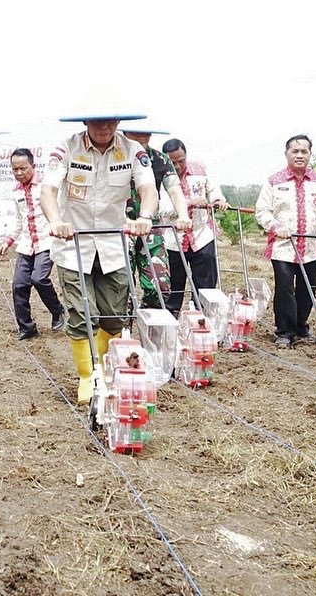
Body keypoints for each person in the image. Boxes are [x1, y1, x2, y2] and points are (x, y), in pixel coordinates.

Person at [39, 86, 157, 404]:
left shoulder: (133, 151)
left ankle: (102, 362)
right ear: (86, 122)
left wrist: (144, 216)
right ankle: (88, 375)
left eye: (111, 121)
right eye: (97, 121)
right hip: (72, 243)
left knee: (115, 315)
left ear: (118, 122)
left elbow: (148, 188)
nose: (105, 126)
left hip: (112, 245)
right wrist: (54, 222)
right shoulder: (65, 149)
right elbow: (48, 191)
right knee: (82, 313)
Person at [255, 134, 316, 348]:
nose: (300, 155)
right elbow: (262, 210)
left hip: (311, 246)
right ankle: (284, 332)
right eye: (295, 151)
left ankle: (301, 327)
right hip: (283, 246)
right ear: (287, 154)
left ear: (310, 154)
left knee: (307, 289)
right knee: (285, 289)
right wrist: (275, 227)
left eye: (304, 151)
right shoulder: (274, 181)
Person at [117, 122, 190, 309]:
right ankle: (123, 331)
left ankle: (149, 319)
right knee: (121, 289)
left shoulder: (160, 159)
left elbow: (174, 189)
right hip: (121, 227)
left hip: (150, 226)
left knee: (160, 286)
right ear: (125, 133)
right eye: (136, 133)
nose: (142, 137)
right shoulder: (115, 157)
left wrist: (183, 214)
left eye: (146, 133)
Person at [0, 148, 66, 340]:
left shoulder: (47, 187)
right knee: (19, 285)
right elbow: (19, 221)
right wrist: (8, 240)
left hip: (47, 240)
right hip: (27, 243)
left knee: (39, 278)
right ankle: (27, 328)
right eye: (15, 169)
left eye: (23, 168)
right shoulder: (15, 193)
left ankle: (58, 310)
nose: (19, 173)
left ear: (33, 166)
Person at [158, 138, 229, 317]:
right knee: (173, 286)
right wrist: (189, 203)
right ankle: (171, 319)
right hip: (173, 240)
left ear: (186, 156)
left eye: (181, 161)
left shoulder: (201, 170)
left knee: (205, 285)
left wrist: (218, 200)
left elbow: (213, 190)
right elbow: (163, 208)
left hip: (201, 236)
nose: (178, 166)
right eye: (173, 162)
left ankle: (202, 319)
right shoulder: (160, 175)